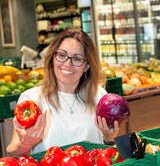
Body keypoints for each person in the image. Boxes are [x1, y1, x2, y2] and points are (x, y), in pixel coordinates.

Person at [7, 28, 119, 157]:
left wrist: (108, 139)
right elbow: (11, 152)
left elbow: (107, 152)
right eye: (62, 55)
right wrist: (24, 144)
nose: (67, 64)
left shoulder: (99, 96)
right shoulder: (32, 99)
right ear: (52, 58)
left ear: (87, 66)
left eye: (77, 59)